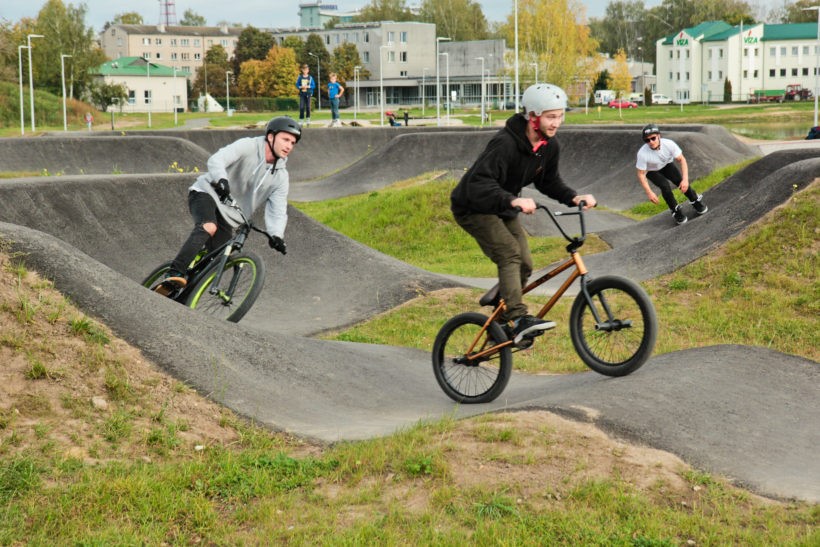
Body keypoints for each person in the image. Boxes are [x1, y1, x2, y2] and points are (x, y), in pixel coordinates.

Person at [450, 83, 596, 345]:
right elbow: (478, 183)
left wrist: (574, 197)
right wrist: (513, 199)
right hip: (472, 206)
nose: (557, 123)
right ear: (532, 116)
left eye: (560, 116)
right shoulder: (505, 144)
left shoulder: (549, 146)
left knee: (526, 263)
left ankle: (500, 319)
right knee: (509, 252)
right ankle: (517, 319)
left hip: (503, 206)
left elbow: (548, 181)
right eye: (551, 117)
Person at [154, 117, 301, 296]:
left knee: (219, 258)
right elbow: (217, 160)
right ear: (271, 137)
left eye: (293, 143)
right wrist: (221, 179)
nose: (289, 146)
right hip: (207, 193)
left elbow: (277, 210)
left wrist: (276, 234)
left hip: (230, 215)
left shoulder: (281, 177)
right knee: (208, 226)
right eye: (285, 139)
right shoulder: (248, 146)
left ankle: (183, 294)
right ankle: (174, 272)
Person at [636, 124, 708, 225]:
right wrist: (649, 192)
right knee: (665, 186)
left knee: (680, 181)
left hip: (666, 165)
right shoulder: (642, 154)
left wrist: (685, 180)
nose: (651, 142)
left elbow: (682, 160)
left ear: (659, 136)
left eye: (653, 138)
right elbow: (641, 174)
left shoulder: (669, 144)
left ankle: (695, 201)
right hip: (651, 171)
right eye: (647, 140)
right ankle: (675, 210)